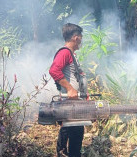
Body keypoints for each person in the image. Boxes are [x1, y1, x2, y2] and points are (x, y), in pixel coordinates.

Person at [49, 23, 86, 157]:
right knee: (76, 133)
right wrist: (70, 89)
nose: (81, 40)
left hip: (73, 103)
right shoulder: (65, 52)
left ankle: (63, 154)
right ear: (76, 37)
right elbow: (54, 70)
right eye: (81, 37)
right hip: (70, 104)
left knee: (68, 130)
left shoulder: (71, 54)